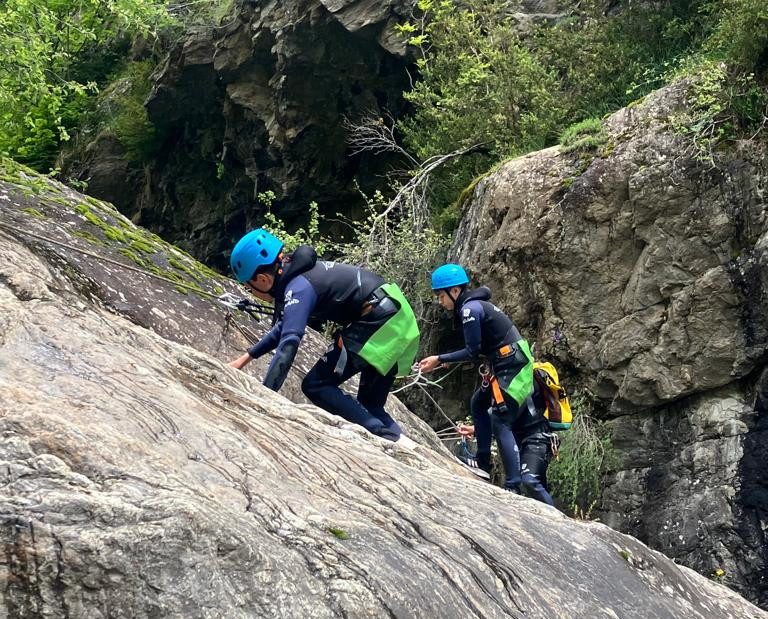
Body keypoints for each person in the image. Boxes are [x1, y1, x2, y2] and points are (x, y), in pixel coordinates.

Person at [228, 228, 420, 442]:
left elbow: (289, 343)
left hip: (379, 319)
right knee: (370, 405)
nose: (250, 293)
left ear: (262, 280)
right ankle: (397, 443)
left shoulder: (297, 287)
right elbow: (284, 327)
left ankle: (377, 435)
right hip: (396, 317)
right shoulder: (299, 276)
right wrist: (246, 358)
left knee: (316, 384)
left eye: (248, 287)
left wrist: (265, 397)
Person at [417, 263, 535, 494]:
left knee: (501, 420)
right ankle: (482, 461)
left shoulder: (469, 310)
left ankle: (513, 486)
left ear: (455, 291)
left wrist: (439, 359)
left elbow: (472, 351)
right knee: (478, 403)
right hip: (508, 361)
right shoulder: (476, 305)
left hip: (512, 365)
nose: (440, 302)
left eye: (441, 296)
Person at [457, 385, 556, 506]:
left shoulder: (526, 381)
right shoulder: (510, 383)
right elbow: (500, 414)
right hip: (522, 440)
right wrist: (477, 429)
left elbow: (506, 414)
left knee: (531, 480)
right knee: (535, 483)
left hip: (537, 439)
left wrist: (478, 428)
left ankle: (560, 521)